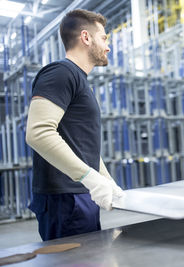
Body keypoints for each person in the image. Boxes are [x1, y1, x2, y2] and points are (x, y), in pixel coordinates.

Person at [25, 9, 124, 241]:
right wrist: (89, 178)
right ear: (86, 38)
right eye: (104, 38)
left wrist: (106, 179)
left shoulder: (79, 80)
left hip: (78, 193)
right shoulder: (60, 73)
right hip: (66, 198)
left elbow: (81, 144)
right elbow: (38, 133)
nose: (108, 46)